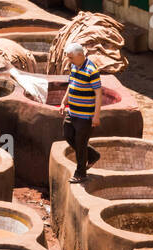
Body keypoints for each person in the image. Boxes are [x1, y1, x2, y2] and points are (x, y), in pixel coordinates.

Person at [62, 42, 103, 182]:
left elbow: (98, 93)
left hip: (85, 116)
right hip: (72, 112)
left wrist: (96, 116)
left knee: (80, 144)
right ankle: (92, 155)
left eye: (71, 57)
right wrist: (63, 101)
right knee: (67, 135)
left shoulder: (92, 70)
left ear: (80, 55)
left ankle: (80, 173)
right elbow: (71, 85)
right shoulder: (74, 66)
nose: (69, 60)